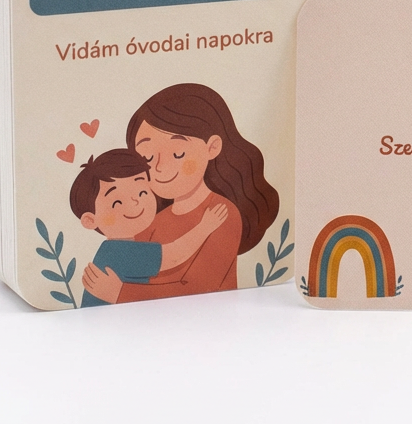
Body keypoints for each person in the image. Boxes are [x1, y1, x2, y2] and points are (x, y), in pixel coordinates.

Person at [82, 83, 279, 304]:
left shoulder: (221, 214)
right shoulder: (149, 223)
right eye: (147, 158)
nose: (160, 167)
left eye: (177, 153)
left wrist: (120, 293)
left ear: (212, 147)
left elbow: (201, 287)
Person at [71, 149, 228, 307]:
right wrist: (205, 227)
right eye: (117, 202)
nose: (136, 202)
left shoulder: (114, 248)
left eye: (142, 192)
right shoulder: (119, 251)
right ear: (90, 220)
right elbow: (175, 255)